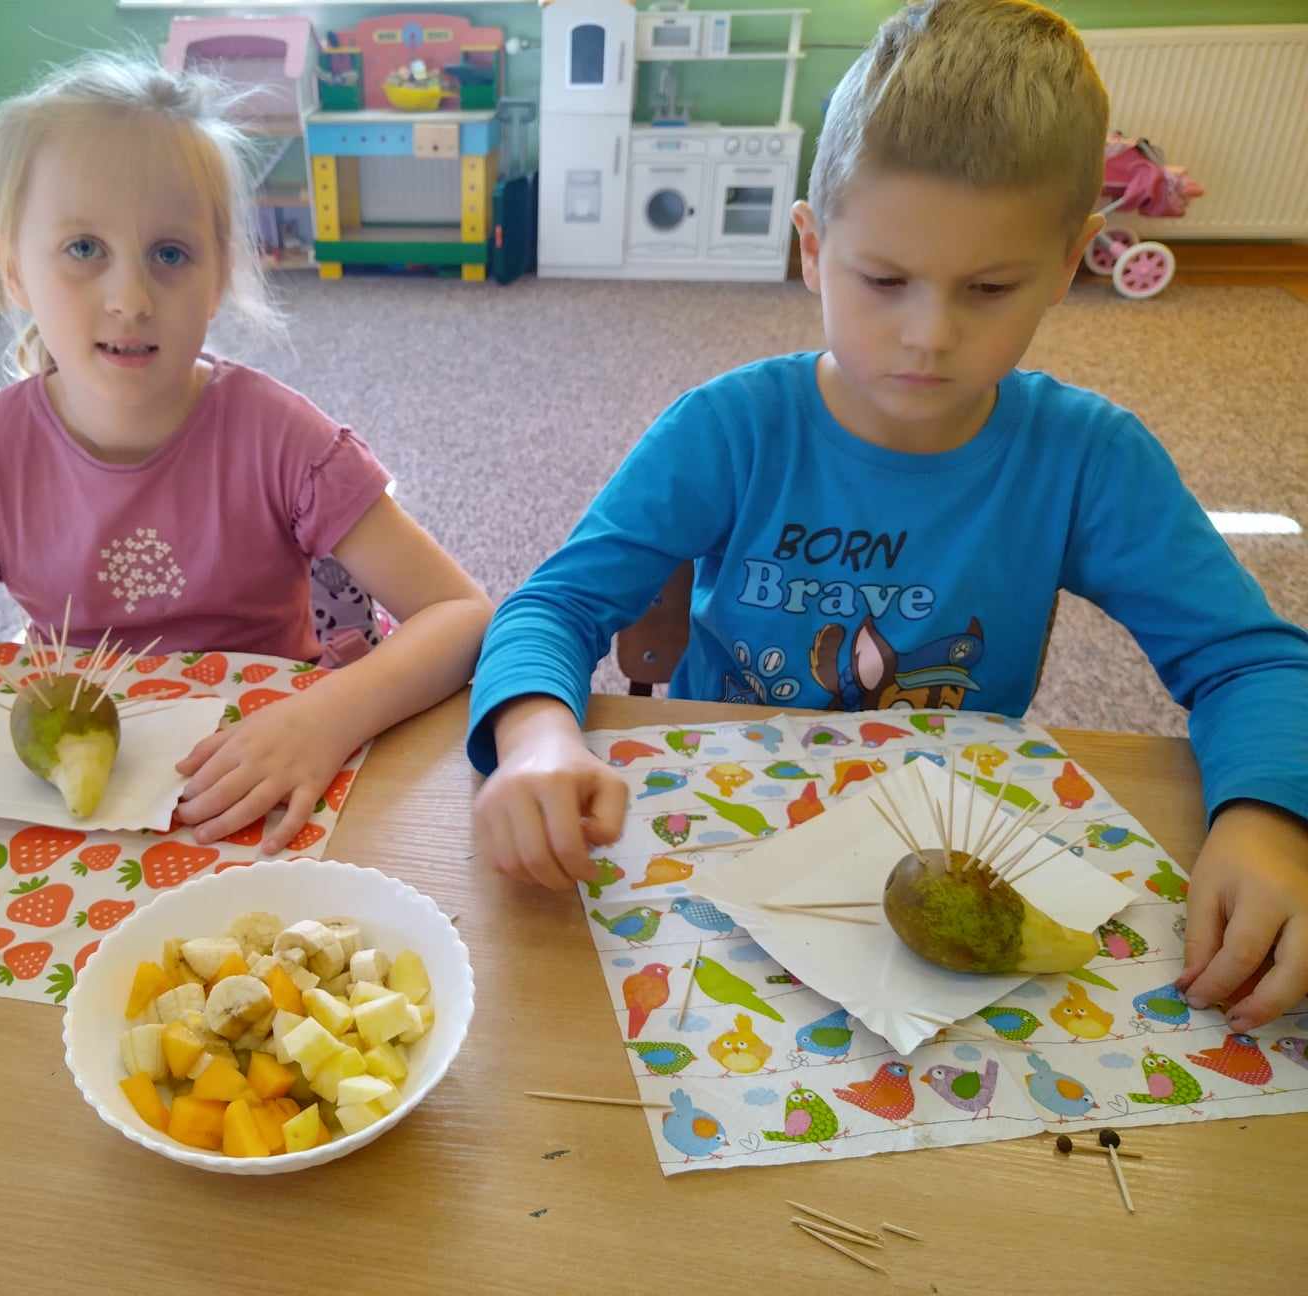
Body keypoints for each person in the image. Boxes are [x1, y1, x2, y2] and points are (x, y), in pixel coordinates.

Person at [468, 0, 1308, 1032]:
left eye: (989, 288)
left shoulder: (1087, 458)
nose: (928, 335)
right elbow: (550, 608)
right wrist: (535, 737)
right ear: (813, 249)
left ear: (1069, 263)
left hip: (950, 859)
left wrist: (1269, 820)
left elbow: (1253, 662)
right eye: (883, 279)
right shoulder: (730, 429)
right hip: (717, 851)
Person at [0, 52, 491, 851]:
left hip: (266, 773)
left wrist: (329, 715)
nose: (129, 300)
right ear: (13, 268)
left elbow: (462, 614)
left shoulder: (279, 437)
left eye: (169, 254)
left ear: (217, 276)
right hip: (67, 793)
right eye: (83, 249)